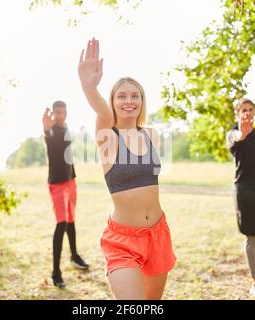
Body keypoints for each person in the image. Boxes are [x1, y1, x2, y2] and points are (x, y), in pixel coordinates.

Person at [77, 38, 176, 300]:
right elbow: (103, 112)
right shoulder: (107, 137)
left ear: (142, 101)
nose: (129, 101)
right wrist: (89, 88)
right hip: (123, 241)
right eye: (121, 96)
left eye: (135, 96)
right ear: (112, 101)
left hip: (157, 234)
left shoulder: (151, 135)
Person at [226, 98, 255, 300]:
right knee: (251, 238)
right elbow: (237, 138)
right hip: (244, 190)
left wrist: (248, 132)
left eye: (250, 109)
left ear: (254, 112)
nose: (247, 112)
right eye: (243, 110)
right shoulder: (233, 134)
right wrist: (242, 133)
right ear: (237, 113)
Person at [42, 100, 89, 288]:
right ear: (53, 114)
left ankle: (75, 256)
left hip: (70, 181)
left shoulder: (65, 128)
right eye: (57, 113)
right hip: (58, 184)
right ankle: (56, 272)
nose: (61, 115)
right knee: (61, 224)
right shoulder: (51, 131)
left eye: (63, 112)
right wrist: (47, 130)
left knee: (71, 220)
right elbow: (50, 143)